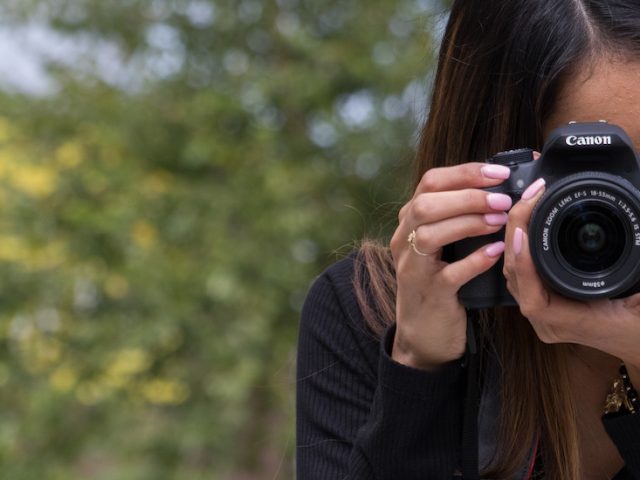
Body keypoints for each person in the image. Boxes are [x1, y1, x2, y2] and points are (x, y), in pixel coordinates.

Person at [296, 0, 640, 479]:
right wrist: (419, 365)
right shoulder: (369, 313)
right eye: (588, 179)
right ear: (493, 167)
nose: (622, 210)